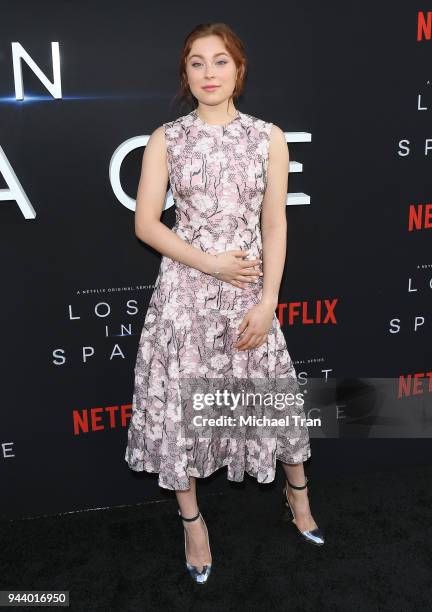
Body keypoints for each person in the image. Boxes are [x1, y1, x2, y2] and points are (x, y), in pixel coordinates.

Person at [125, 22, 324, 585]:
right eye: (196, 63)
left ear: (239, 70)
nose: (208, 73)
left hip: (248, 296)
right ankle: (193, 523)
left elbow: (275, 222)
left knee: (271, 397)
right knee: (179, 413)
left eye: (219, 62)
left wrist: (268, 301)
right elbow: (145, 224)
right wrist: (209, 263)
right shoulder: (167, 137)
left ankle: (299, 495)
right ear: (185, 74)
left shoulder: (269, 137)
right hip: (185, 296)